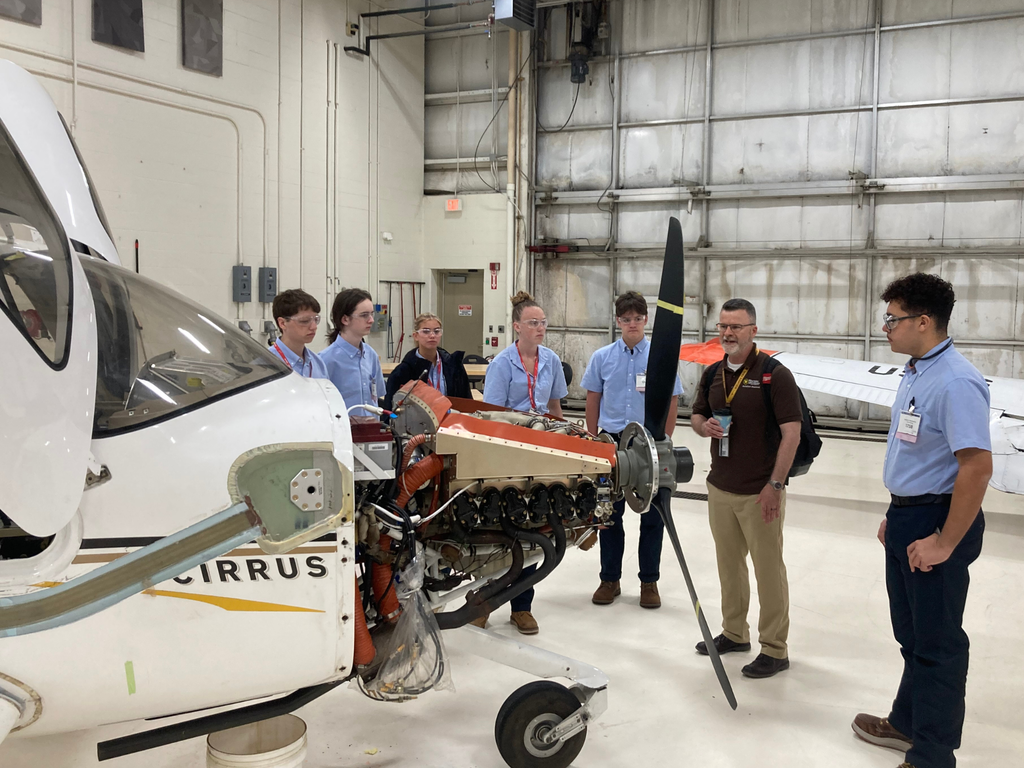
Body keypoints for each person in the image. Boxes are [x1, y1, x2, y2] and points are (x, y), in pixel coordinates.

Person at [852, 274, 991, 768]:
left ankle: (933, 755)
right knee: (911, 635)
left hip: (939, 519)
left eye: (893, 319)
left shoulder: (956, 380)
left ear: (924, 322)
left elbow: (976, 465)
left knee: (937, 644)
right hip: (910, 516)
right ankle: (907, 723)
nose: (885, 327)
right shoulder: (915, 371)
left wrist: (944, 541)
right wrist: (898, 514)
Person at [690, 298, 802, 679]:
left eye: (736, 326)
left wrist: (775, 484)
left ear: (754, 331)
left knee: (768, 569)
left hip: (760, 491)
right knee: (729, 566)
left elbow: (792, 433)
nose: (728, 333)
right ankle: (735, 633)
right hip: (720, 486)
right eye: (723, 326)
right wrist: (702, 426)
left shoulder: (774, 374)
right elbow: (697, 413)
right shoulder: (713, 373)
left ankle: (775, 648)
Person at [582, 291, 682, 610]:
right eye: (626, 319)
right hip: (611, 442)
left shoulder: (660, 356)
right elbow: (593, 397)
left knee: (653, 516)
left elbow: (673, 398)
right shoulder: (602, 357)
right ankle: (610, 579)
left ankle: (648, 581)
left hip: (647, 444)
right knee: (609, 515)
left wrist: (663, 439)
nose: (632, 324)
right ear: (618, 322)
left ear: (645, 320)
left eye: (638, 318)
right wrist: (593, 436)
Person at [482, 291, 569, 635]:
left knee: (534, 528)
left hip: (541, 448)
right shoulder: (502, 363)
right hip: (508, 450)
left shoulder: (551, 360)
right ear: (517, 326)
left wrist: (565, 440)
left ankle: (522, 606)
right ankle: (485, 601)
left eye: (543, 322)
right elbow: (491, 415)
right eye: (533, 322)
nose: (540, 328)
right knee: (499, 527)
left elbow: (555, 408)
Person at [383, 312, 471, 409]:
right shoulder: (403, 371)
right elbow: (390, 409)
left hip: (450, 421)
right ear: (416, 335)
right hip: (417, 422)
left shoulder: (454, 366)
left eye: (436, 331)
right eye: (426, 331)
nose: (432, 335)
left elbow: (467, 402)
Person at [321, 288, 386, 417]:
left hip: (370, 430)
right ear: (345, 319)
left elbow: (376, 395)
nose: (371, 320)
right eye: (364, 315)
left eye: (371, 314)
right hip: (343, 431)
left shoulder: (370, 355)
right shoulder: (326, 360)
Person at [269, 289, 329, 379]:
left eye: (316, 320)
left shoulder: (318, 363)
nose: (314, 327)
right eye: (304, 321)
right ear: (282, 323)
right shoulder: (266, 364)